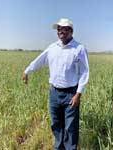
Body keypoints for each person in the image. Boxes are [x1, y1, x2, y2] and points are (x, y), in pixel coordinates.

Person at [22, 18, 89, 150]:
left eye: (63, 28)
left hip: (71, 94)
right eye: (58, 29)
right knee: (56, 125)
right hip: (54, 93)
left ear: (70, 31)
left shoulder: (79, 48)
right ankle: (59, 148)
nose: (60, 31)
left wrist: (78, 94)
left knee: (70, 127)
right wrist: (27, 70)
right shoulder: (52, 47)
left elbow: (84, 72)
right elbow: (40, 60)